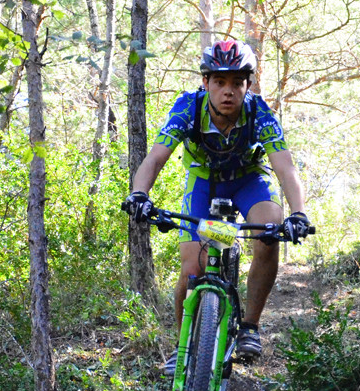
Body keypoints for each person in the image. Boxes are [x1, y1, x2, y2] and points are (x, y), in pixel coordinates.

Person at [125, 39, 311, 360]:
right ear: (205, 82)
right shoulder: (188, 108)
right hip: (204, 182)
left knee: (270, 231)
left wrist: (299, 213)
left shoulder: (259, 112)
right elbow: (155, 158)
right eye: (220, 82)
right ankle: (182, 348)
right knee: (192, 266)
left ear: (247, 85)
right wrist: (139, 194)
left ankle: (250, 327)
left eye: (237, 83)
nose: (229, 91)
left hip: (248, 180)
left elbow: (285, 167)